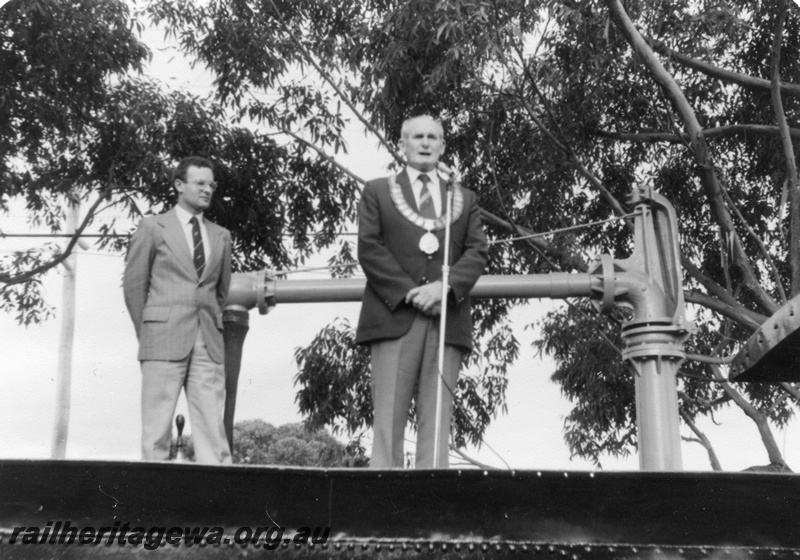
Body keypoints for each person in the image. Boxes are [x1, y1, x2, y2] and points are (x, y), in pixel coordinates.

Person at [356, 115, 488, 469]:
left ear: (443, 145)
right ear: (403, 145)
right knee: (388, 418)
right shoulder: (378, 191)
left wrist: (444, 288)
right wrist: (413, 293)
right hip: (394, 314)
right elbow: (369, 248)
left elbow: (477, 252)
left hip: (447, 318)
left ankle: (432, 508)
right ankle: (383, 507)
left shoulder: (463, 196)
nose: (426, 143)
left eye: (433, 137)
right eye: (418, 137)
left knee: (438, 419)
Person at [123, 156, 232, 465]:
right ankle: (151, 504)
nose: (207, 189)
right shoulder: (152, 227)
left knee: (213, 431)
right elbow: (134, 286)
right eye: (200, 183)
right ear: (179, 185)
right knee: (156, 431)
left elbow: (220, 292)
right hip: (161, 338)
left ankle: (217, 503)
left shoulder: (221, 236)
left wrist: (208, 324)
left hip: (208, 341)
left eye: (211, 184)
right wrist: (148, 333)